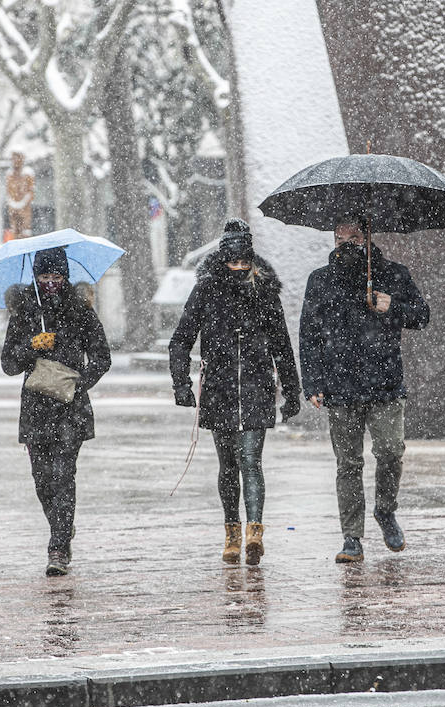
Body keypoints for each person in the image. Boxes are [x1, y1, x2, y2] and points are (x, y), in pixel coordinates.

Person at [169, 218, 300, 565]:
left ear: (252, 259)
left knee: (250, 460)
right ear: (224, 258)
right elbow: (181, 338)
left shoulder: (265, 290)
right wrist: (180, 382)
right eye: (234, 261)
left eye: (245, 261)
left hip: (257, 384)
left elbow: (282, 345)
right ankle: (231, 531)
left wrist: (292, 390)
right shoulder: (207, 291)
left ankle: (255, 530)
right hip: (220, 387)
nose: (240, 267)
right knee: (228, 464)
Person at [299, 219, 429, 563]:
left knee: (390, 452)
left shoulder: (393, 274)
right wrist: (311, 381)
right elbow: (308, 334)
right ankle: (352, 536)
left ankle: (385, 511)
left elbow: (422, 315)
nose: (346, 243)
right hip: (340, 386)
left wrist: (392, 307)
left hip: (385, 382)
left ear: (369, 236)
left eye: (354, 237)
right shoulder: (321, 280)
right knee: (348, 463)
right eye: (340, 238)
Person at [1, 247, 111, 576]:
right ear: (35, 277)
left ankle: (58, 546)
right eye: (44, 276)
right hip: (35, 408)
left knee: (64, 476)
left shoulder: (80, 310)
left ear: (65, 276)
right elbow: (8, 364)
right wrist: (32, 345)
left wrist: (78, 385)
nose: (51, 282)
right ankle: (62, 527)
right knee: (42, 481)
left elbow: (102, 357)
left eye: (57, 276)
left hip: (69, 410)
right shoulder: (23, 312)